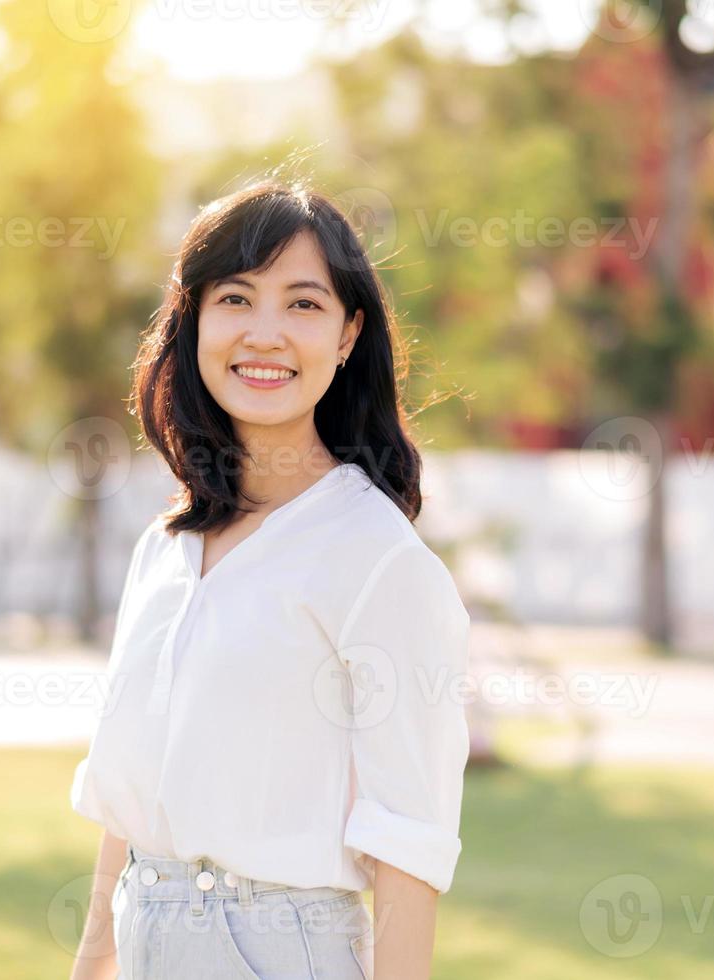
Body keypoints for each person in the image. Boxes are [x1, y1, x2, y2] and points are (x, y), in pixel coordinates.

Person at [67, 177, 472, 979]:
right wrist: (92, 961)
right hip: (146, 934)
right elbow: (135, 796)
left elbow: (408, 842)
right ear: (194, 322)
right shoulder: (165, 548)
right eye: (236, 298)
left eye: (303, 304)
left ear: (350, 334)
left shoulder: (375, 558)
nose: (264, 334)